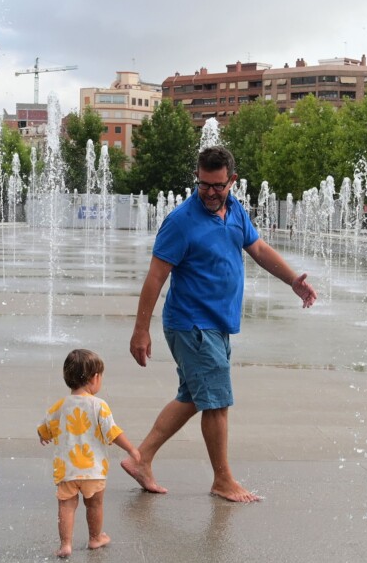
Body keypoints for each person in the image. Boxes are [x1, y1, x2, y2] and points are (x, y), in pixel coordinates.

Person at [121, 145, 317, 503]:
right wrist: (140, 329)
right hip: (192, 324)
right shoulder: (181, 221)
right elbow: (154, 277)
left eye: (218, 186)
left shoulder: (236, 210)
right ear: (197, 178)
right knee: (216, 402)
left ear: (232, 181)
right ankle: (222, 479)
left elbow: (258, 250)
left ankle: (141, 459)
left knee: (194, 397)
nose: (210, 192)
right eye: (204, 185)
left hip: (217, 323)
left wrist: (293, 281)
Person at [37, 348, 140, 558]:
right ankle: (95, 538)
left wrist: (43, 435)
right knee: (94, 504)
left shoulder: (59, 405)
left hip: (67, 469)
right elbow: (112, 431)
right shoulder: (99, 405)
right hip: (93, 469)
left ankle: (65, 544)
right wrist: (131, 449)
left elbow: (45, 428)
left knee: (66, 506)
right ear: (94, 378)